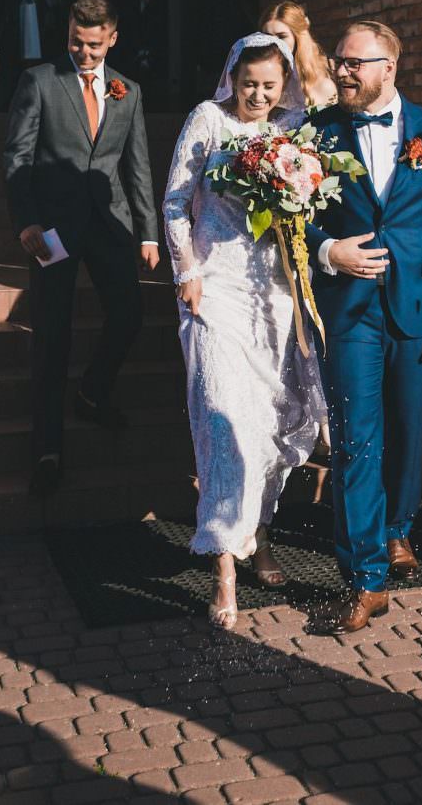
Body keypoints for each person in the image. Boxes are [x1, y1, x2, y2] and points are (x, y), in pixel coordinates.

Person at [306, 20, 422, 633]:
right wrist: (329, 250)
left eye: (354, 63)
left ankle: (398, 526)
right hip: (348, 307)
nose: (342, 71)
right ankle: (366, 578)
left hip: (418, 306)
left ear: (389, 67)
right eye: (339, 60)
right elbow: (294, 217)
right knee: (356, 439)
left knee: (410, 427)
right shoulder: (316, 132)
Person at [162, 33, 326, 630]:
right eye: (249, 83)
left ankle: (261, 536)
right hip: (217, 290)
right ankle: (223, 566)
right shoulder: (208, 119)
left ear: (284, 85)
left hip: (273, 294)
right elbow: (177, 200)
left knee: (266, 423)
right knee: (222, 417)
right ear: (232, 77)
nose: (257, 95)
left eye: (269, 86)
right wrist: (187, 270)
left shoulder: (292, 132)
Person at [3, 0, 160, 499]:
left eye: (93, 45)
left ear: (112, 38)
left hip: (110, 225)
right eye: (76, 42)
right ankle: (48, 451)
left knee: (129, 315)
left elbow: (137, 164)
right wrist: (27, 221)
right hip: (51, 229)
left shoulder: (128, 91)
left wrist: (148, 231)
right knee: (52, 334)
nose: (84, 53)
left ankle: (92, 392)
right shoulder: (39, 81)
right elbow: (18, 156)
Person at [261, 0, 338, 110]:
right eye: (268, 37)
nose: (275, 43)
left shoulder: (323, 83)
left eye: (282, 36)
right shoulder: (258, 77)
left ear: (297, 37)